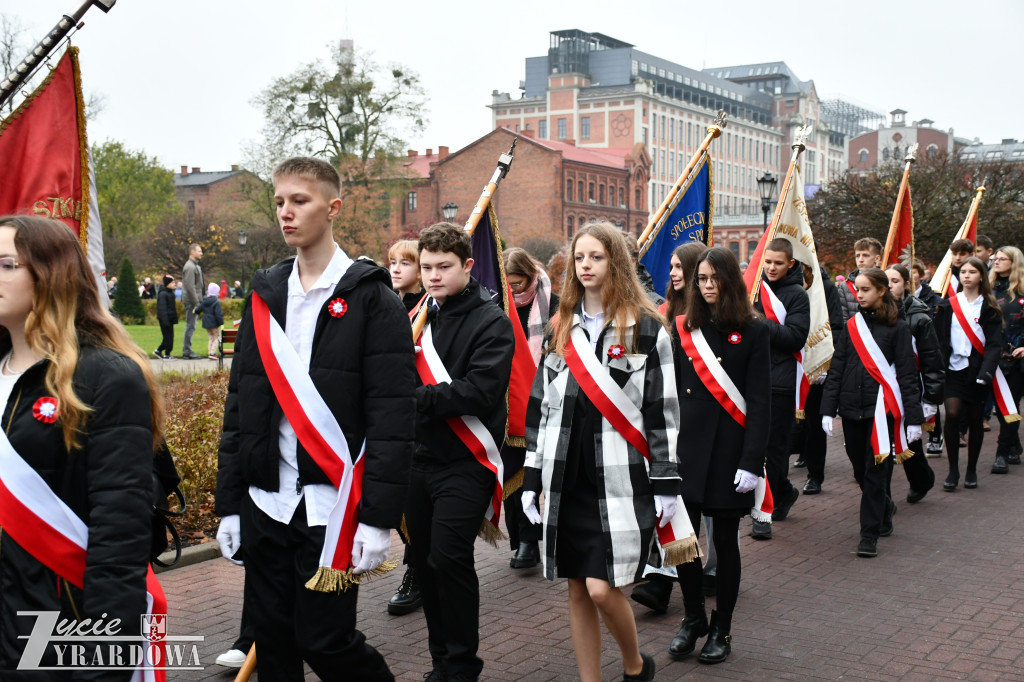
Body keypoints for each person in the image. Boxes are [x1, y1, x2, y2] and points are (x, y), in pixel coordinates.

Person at [215, 156, 415, 681]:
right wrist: (231, 505)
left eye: (299, 201)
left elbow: (393, 418)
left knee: (325, 642)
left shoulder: (373, 299)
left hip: (332, 506)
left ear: (333, 207)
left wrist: (378, 518)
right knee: (274, 649)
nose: (286, 213)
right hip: (266, 502)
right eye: (279, 202)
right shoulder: (265, 294)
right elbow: (241, 408)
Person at [0, 215, 164, 676]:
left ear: (51, 275)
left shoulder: (106, 378)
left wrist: (101, 663)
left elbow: (120, 537)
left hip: (57, 632)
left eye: (7, 265)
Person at [522, 221, 682, 682]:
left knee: (601, 589)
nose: (586, 265)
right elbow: (541, 406)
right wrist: (532, 476)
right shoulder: (560, 326)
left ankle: (634, 663)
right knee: (576, 589)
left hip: (621, 476)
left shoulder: (647, 328)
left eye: (596, 256)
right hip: (565, 473)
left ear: (616, 262)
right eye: (579, 257)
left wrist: (667, 478)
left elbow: (664, 411)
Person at [406, 222, 515, 682]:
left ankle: (463, 663)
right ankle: (441, 659)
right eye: (426, 267)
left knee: (449, 557)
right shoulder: (415, 315)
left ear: (467, 266)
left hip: (467, 461)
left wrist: (412, 398)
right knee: (424, 562)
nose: (433, 276)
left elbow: (479, 392)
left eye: (443, 267)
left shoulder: (492, 321)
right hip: (419, 460)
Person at [668, 246, 770, 664]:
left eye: (715, 280)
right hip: (687, 451)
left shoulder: (753, 330)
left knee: (725, 543)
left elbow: (761, 402)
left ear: (730, 282)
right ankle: (693, 617)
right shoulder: (683, 327)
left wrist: (752, 461)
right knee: (684, 542)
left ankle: (722, 629)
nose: (707, 287)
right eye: (702, 280)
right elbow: (671, 392)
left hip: (729, 453)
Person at [821, 267, 923, 557]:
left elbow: (907, 375)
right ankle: (884, 507)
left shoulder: (899, 327)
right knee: (859, 469)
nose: (860, 294)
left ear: (881, 291)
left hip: (882, 412)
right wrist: (828, 410)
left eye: (866, 289)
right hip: (852, 409)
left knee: (876, 472)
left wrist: (913, 418)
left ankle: (869, 535)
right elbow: (837, 368)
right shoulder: (852, 325)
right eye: (858, 289)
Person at [632, 240, 706, 613]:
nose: (673, 273)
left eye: (680, 267)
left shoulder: (706, 317)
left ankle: (668, 583)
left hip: (693, 425)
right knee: (667, 507)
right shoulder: (662, 312)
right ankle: (661, 579)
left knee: (683, 509)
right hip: (662, 422)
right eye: (672, 266)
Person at [503, 246, 559, 571]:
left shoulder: (552, 301)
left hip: (545, 395)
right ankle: (524, 541)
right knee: (513, 470)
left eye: (520, 283)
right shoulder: (499, 302)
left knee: (538, 471)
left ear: (531, 275)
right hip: (510, 399)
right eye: (509, 284)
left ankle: (540, 537)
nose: (515, 290)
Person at [751, 238, 809, 539]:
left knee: (773, 450)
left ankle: (765, 511)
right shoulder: (752, 289)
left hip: (782, 382)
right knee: (752, 446)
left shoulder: (798, 295)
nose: (771, 268)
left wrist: (759, 322)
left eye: (777, 263)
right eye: (767, 262)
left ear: (789, 264)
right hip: (751, 378)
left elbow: (795, 338)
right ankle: (782, 491)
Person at [934, 256, 1002, 491]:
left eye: (972, 272)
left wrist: (987, 372)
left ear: (981, 276)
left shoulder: (989, 307)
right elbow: (940, 339)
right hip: (953, 370)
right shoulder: (948, 305)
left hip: (977, 371)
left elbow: (994, 344)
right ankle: (953, 470)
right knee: (952, 414)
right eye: (963, 271)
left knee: (974, 419)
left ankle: (971, 469)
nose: (966, 275)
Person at [384, 238, 425, 616]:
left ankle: (416, 569)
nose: (396, 268)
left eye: (406, 262)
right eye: (392, 262)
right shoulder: (387, 307)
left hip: (422, 418)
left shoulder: (429, 310)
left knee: (414, 502)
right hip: (388, 417)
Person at [886, 264, 943, 503]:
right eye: (886, 281)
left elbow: (932, 360)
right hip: (884, 388)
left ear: (907, 284)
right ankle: (881, 496)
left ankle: (921, 479)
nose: (889, 286)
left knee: (910, 441)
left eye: (895, 281)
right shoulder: (872, 313)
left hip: (910, 387)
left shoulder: (919, 317)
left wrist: (931, 398)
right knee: (882, 439)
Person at [796, 263, 845, 495]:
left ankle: (815, 475)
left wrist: (823, 356)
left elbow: (836, 325)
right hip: (789, 366)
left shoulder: (826, 288)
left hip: (815, 365)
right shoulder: (777, 288)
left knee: (814, 423)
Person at [990, 246, 1024, 469]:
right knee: (1001, 404)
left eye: (1003, 259)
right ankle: (1014, 445)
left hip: (1018, 355)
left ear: (1014, 263)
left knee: (1010, 403)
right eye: (995, 258)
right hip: (993, 354)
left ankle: (1001, 452)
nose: (997, 262)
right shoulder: (988, 289)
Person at [837, 237, 882, 321]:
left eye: (865, 255)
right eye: (857, 256)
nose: (860, 260)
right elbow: (842, 319)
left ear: (877, 258)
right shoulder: (845, 286)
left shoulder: (887, 282)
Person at [180, 243, 205, 359]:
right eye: (199, 251)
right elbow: (190, 287)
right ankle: (187, 351)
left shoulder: (194, 266)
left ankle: (187, 350)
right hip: (191, 302)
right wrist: (196, 303)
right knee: (190, 326)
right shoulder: (190, 267)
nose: (201, 253)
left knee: (191, 326)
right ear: (192, 252)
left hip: (193, 301)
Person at [388, 239, 425, 313]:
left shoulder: (428, 305)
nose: (395, 270)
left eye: (404, 263)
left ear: (420, 271)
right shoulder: (385, 302)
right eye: (393, 263)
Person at [197, 282, 225, 360]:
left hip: (206, 322)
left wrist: (194, 311)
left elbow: (198, 309)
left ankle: (210, 352)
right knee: (217, 337)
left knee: (211, 338)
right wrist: (221, 323)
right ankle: (212, 353)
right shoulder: (216, 302)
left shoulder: (205, 300)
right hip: (214, 323)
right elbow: (218, 314)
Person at [154, 275, 178, 360]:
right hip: (165, 320)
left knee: (169, 337)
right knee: (168, 338)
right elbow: (162, 309)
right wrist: (165, 320)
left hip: (170, 319)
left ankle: (163, 352)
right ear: (167, 283)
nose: (174, 284)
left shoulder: (170, 293)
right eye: (172, 282)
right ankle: (163, 352)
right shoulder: (163, 294)